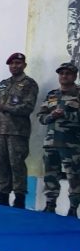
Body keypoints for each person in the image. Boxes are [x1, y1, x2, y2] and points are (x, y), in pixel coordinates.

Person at [0, 52, 38, 208]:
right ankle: (3, 194)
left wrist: (4, 107)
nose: (14, 66)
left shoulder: (29, 84)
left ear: (24, 65)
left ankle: (19, 197)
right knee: (1, 161)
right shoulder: (3, 84)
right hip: (0, 130)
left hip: (18, 131)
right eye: (11, 63)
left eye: (18, 63)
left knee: (16, 164)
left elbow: (28, 107)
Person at [38, 62, 80, 215]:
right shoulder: (52, 95)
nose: (64, 76)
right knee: (50, 175)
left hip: (72, 144)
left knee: (74, 177)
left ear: (74, 76)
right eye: (61, 73)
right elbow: (41, 117)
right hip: (51, 143)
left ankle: (73, 208)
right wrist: (51, 116)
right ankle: (50, 205)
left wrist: (65, 115)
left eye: (68, 73)